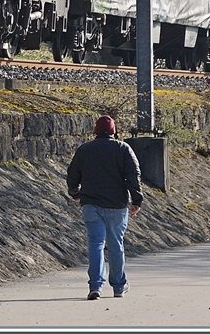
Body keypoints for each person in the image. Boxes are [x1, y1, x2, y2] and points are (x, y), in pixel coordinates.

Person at [66, 115, 143, 300]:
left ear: (96, 131)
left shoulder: (84, 149)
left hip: (91, 204)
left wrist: (75, 193)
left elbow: (72, 174)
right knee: (116, 245)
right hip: (117, 206)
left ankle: (95, 286)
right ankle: (118, 286)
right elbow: (133, 175)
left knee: (96, 244)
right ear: (114, 131)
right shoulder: (123, 148)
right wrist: (137, 200)